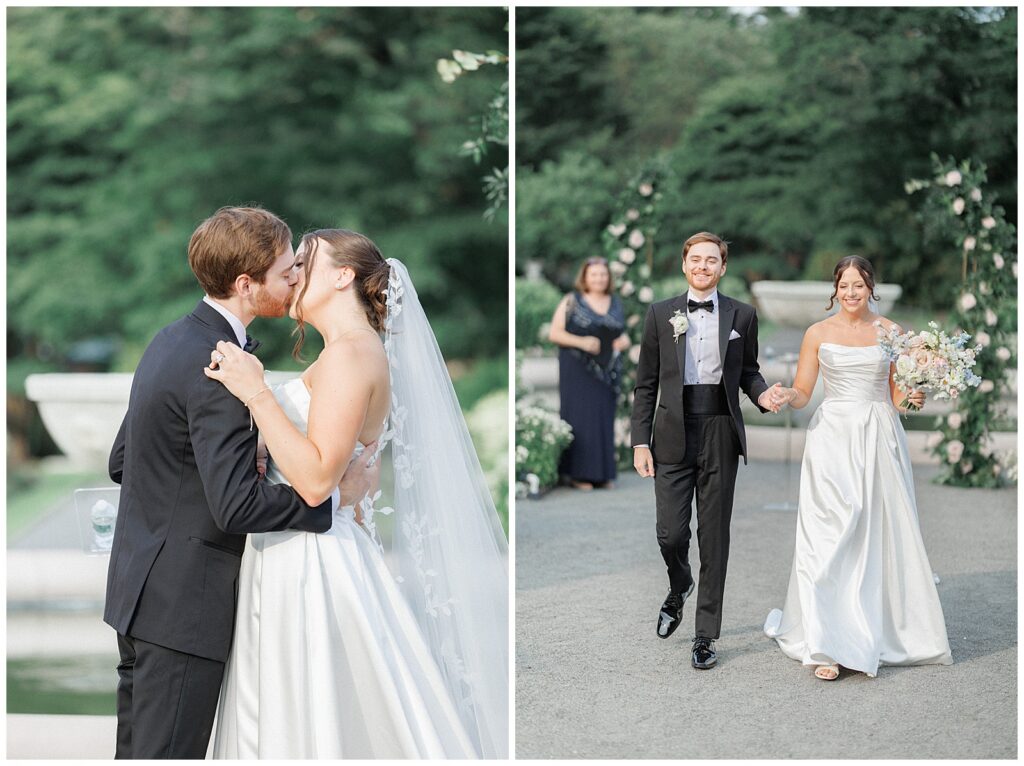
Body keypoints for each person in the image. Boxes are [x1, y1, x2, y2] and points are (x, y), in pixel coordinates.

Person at [205, 229, 509, 758]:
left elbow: (319, 478)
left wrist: (255, 392)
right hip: (291, 548)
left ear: (343, 276)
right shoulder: (340, 353)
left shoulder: (351, 354)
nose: (293, 273)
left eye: (304, 262)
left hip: (312, 561)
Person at [104, 207, 375, 759]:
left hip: (138, 593)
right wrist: (333, 503)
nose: (295, 278)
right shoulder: (219, 365)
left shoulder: (168, 339)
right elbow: (234, 508)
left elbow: (122, 460)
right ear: (247, 285)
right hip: (185, 604)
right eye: (285, 271)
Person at [763, 255, 952, 680]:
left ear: (871, 288)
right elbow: (804, 389)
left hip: (878, 435)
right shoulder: (817, 333)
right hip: (832, 438)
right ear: (835, 289)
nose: (851, 293)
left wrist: (914, 399)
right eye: (844, 285)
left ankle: (871, 630)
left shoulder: (891, 333)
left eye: (859, 285)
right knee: (829, 533)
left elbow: (899, 397)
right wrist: (783, 397)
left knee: (877, 531)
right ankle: (825, 641)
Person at [631, 231, 781, 670]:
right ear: (684, 265)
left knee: (714, 536)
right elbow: (646, 384)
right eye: (695, 259)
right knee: (671, 533)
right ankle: (680, 586)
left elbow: (748, 372)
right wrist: (641, 441)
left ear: (722, 267)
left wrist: (764, 396)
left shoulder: (743, 315)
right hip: (672, 432)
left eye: (711, 260)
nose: (703, 266)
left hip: (720, 430)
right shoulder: (660, 314)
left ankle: (705, 635)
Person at [548, 257, 630, 489]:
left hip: (606, 370)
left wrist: (623, 341)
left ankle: (602, 473)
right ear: (584, 277)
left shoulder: (614, 302)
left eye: (603, 274)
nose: (599, 279)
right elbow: (554, 333)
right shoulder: (571, 301)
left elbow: (620, 333)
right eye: (594, 275)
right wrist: (582, 342)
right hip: (577, 367)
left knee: (603, 417)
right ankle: (578, 474)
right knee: (580, 419)